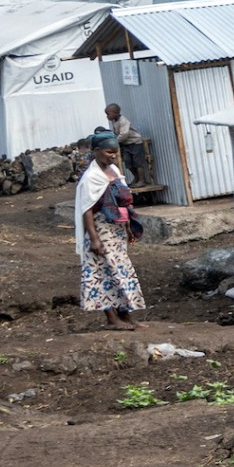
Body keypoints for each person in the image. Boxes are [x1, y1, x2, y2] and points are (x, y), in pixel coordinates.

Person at [74, 130, 144, 330]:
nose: (113, 156)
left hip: (116, 230)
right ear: (96, 151)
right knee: (102, 273)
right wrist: (94, 239)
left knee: (120, 272)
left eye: (115, 152)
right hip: (100, 230)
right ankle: (112, 319)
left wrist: (128, 227)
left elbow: (122, 201)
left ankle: (125, 314)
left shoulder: (113, 170)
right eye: (109, 152)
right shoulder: (91, 177)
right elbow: (87, 210)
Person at [103, 103, 149, 186]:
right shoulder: (115, 122)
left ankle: (142, 180)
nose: (107, 116)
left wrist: (115, 142)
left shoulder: (123, 121)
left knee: (137, 162)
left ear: (115, 113)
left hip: (135, 142)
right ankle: (136, 177)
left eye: (108, 114)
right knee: (127, 161)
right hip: (126, 144)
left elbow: (124, 134)